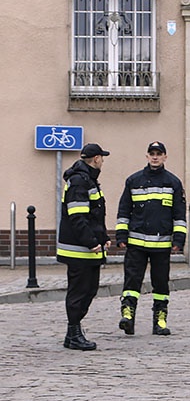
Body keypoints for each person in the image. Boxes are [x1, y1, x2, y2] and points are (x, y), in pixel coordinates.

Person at [115, 141, 187, 336]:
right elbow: (124, 210)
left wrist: (179, 240)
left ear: (165, 157)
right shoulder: (134, 180)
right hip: (136, 243)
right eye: (152, 153)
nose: (155, 157)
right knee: (132, 282)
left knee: (161, 284)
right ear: (147, 156)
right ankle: (128, 316)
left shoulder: (173, 182)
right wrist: (121, 235)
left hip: (162, 244)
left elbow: (179, 214)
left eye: (159, 153)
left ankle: (160, 320)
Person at [57, 143, 111, 351]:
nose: (103, 162)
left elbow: (95, 216)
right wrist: (92, 242)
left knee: (89, 290)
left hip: (89, 249)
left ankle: (74, 332)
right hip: (78, 249)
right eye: (102, 158)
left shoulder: (89, 180)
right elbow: (78, 217)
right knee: (79, 291)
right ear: (96, 159)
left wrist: (103, 237)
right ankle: (73, 332)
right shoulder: (80, 181)